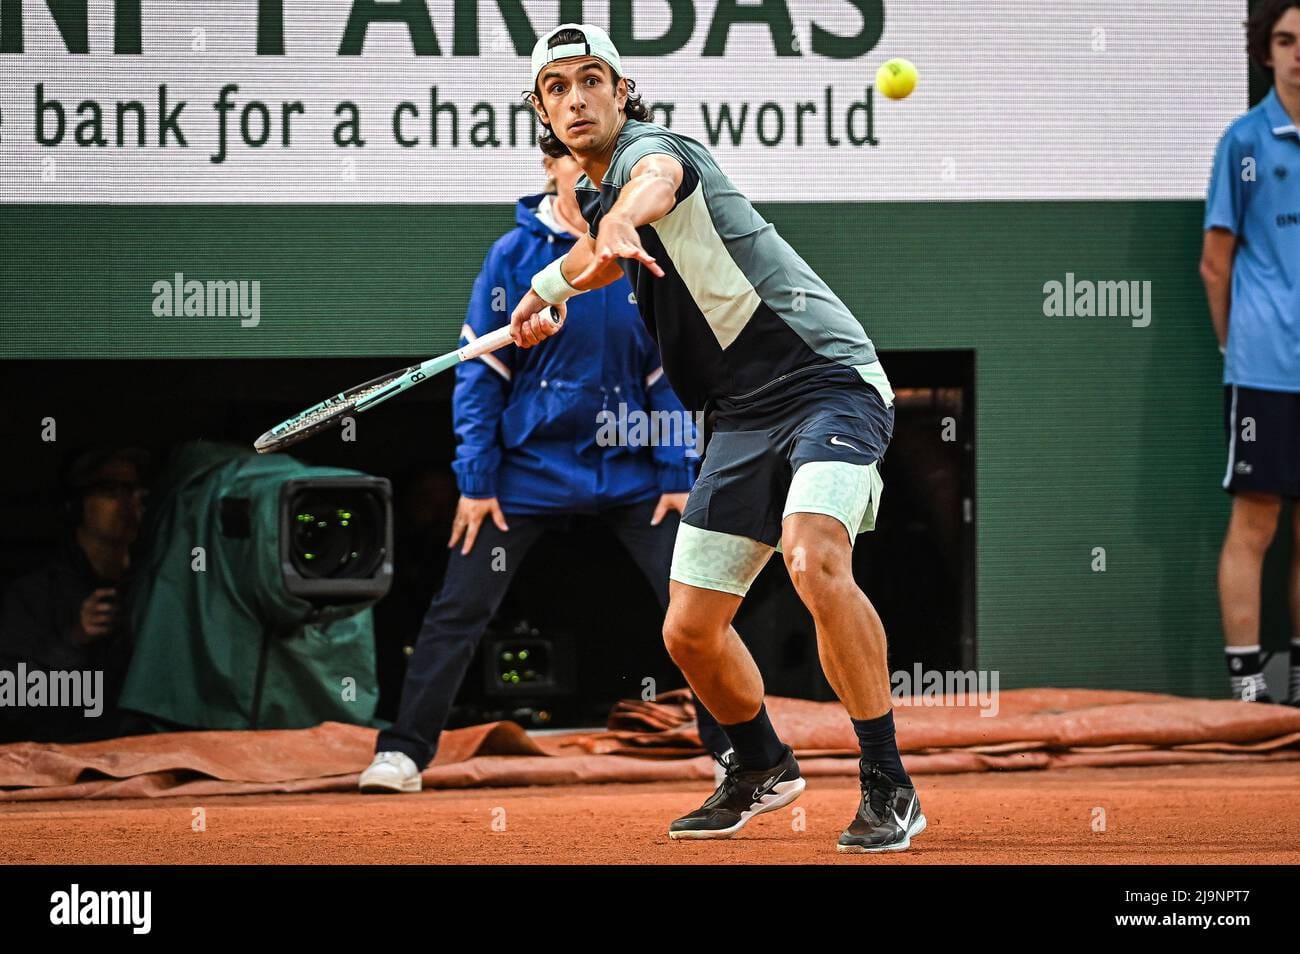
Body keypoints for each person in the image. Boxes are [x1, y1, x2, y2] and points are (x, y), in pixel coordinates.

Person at [509, 24, 923, 852]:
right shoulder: (599, 202)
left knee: (812, 557)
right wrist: (544, 288)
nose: (577, 97)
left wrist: (624, 218)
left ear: (623, 93)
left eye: (593, 79)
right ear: (543, 114)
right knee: (688, 630)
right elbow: (598, 249)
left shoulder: (655, 152)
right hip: (739, 417)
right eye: (557, 87)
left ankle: (888, 781)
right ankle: (762, 765)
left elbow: (650, 186)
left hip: (827, 384)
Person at [359, 152, 730, 792]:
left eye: (603, 171)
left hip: (634, 471)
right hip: (525, 475)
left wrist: (676, 472)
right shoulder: (512, 255)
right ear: (549, 167)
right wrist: (476, 482)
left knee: (697, 607)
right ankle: (404, 752)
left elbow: (665, 375)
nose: (591, 180)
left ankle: (739, 751)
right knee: (459, 606)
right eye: (576, 167)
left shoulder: (637, 250)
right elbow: (481, 375)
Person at [1201, 0, 1300, 706]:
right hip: (1265, 367)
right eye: (1288, 41)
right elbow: (1215, 263)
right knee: (1257, 522)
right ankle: (1246, 693)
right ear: (1266, 52)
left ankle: (1296, 679)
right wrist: (1238, 348)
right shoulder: (1243, 143)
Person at [0, 448, 148, 742]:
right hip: (57, 754)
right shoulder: (35, 593)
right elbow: (12, 697)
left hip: (135, 755)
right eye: (110, 490)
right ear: (75, 506)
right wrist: (75, 639)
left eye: (134, 491)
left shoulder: (153, 587)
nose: (127, 502)